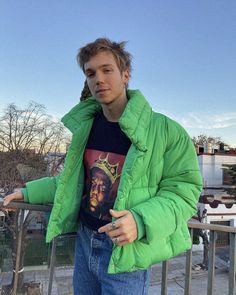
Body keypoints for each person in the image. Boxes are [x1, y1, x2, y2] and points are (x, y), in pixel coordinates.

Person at [4, 38, 203, 295]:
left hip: (125, 253)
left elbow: (184, 192)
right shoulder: (86, 127)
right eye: (91, 73)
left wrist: (141, 221)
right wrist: (28, 193)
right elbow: (72, 182)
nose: (98, 78)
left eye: (107, 70)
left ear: (126, 75)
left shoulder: (166, 131)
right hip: (85, 242)